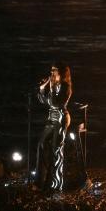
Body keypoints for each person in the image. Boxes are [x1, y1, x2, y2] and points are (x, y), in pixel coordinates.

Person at [34, 61, 72, 191]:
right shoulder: (53, 85)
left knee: (56, 149)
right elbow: (43, 101)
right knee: (41, 145)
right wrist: (42, 87)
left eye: (54, 70)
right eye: (51, 70)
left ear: (61, 72)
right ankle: (41, 181)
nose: (51, 72)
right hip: (51, 119)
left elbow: (56, 103)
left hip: (61, 118)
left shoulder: (66, 87)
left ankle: (56, 184)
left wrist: (50, 87)